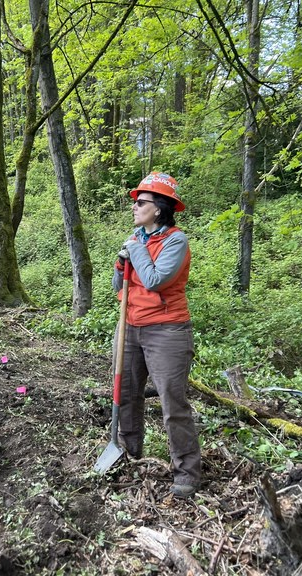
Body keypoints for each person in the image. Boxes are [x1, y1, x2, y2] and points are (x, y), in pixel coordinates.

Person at [112, 171, 201, 498]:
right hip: (130, 324)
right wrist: (121, 264)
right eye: (136, 202)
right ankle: (130, 450)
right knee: (126, 391)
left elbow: (155, 280)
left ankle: (187, 471)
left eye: (142, 202)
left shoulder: (176, 240)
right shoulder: (137, 238)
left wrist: (133, 250)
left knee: (172, 401)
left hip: (167, 329)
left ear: (160, 209)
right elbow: (117, 285)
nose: (135, 207)